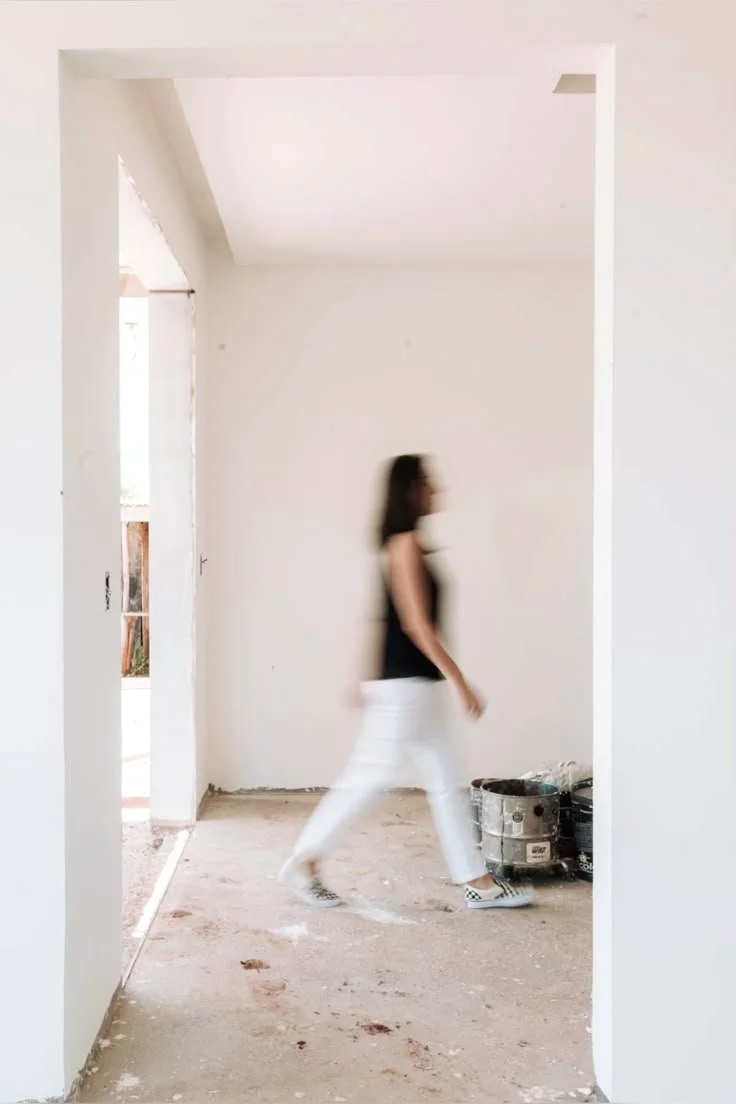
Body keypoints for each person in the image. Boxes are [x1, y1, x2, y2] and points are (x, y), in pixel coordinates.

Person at [279, 454, 533, 910]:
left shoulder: (405, 544)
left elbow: (381, 618)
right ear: (411, 490)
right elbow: (415, 624)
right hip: (405, 686)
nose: (437, 488)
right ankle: (303, 861)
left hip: (413, 683)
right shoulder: (406, 544)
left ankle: (477, 881)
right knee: (371, 776)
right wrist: (461, 682)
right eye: (428, 482)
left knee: (443, 779)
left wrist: (364, 676)